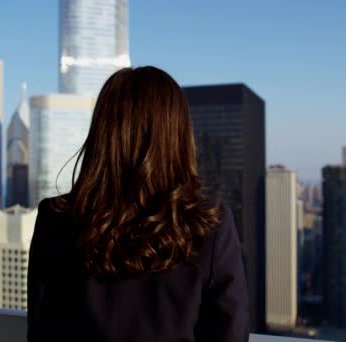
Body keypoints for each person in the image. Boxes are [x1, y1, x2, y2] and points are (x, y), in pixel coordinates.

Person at [27, 66, 249, 341]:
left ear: (101, 132)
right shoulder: (210, 226)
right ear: (178, 134)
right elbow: (231, 334)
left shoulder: (56, 218)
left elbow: (42, 331)